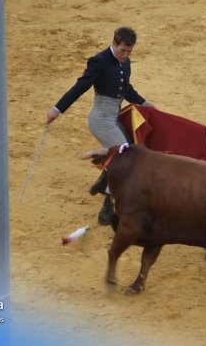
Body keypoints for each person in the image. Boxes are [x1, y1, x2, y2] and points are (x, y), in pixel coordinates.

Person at [46, 26, 155, 225]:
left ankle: (102, 183)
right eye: (123, 50)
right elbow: (80, 87)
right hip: (101, 120)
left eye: (129, 51)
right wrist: (57, 109)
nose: (125, 55)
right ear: (114, 43)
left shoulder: (125, 61)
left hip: (114, 117)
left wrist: (144, 102)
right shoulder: (99, 61)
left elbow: (126, 89)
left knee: (126, 148)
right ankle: (107, 208)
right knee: (125, 156)